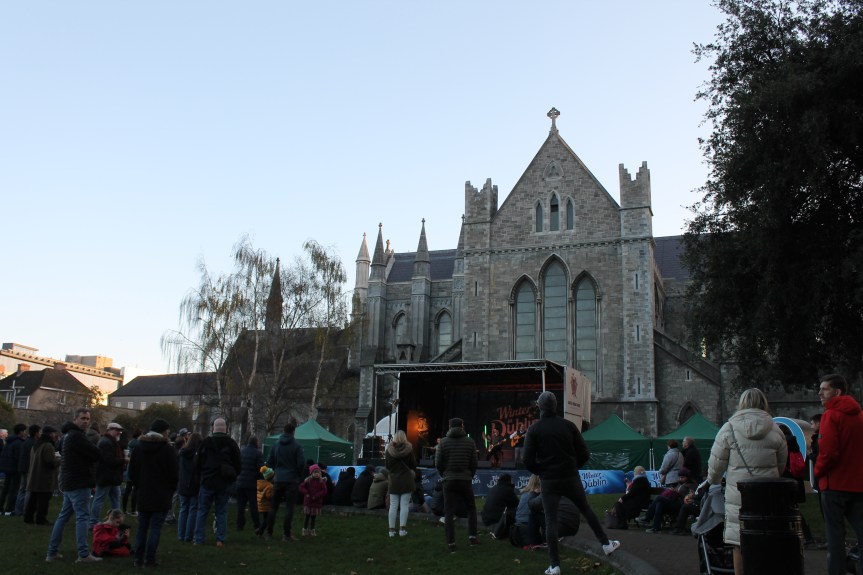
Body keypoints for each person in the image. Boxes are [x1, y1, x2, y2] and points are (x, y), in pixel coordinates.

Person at [523, 391, 619, 575]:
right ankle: (606, 544)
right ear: (555, 406)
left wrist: (541, 471)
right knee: (586, 509)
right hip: (569, 477)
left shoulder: (534, 430)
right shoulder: (568, 426)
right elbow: (584, 453)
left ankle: (555, 565)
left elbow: (527, 459)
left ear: (540, 407)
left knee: (550, 520)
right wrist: (572, 467)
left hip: (550, 480)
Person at [704, 387, 787, 575]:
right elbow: (781, 466)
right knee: (766, 539)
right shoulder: (776, 430)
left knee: (739, 544)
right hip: (767, 494)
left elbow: (716, 465)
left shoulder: (729, 428)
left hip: (739, 495)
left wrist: (714, 480)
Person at [813, 373, 863, 575]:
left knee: (835, 537)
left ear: (837, 391)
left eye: (824, 389)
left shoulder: (831, 415)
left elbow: (828, 452)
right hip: (858, 484)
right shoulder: (859, 415)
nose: (820, 393)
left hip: (834, 485)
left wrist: (817, 472)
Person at [46, 408, 103, 563]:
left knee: (63, 517)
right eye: (83, 418)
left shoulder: (68, 436)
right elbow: (96, 453)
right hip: (79, 481)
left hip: (69, 481)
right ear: (75, 419)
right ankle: (83, 554)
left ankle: (52, 552)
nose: (86, 421)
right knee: (82, 516)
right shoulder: (77, 436)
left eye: (87, 419)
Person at [129, 418, 179, 568]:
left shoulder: (138, 447)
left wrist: (138, 486)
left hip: (143, 492)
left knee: (142, 528)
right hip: (161, 494)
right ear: (163, 432)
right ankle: (149, 559)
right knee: (156, 528)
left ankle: (138, 558)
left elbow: (132, 472)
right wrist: (171, 488)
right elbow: (174, 473)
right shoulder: (167, 450)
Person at [435, 417, 480, 553]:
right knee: (471, 508)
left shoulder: (443, 442)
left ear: (449, 426)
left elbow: (438, 463)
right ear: (462, 426)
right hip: (465, 479)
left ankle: (451, 543)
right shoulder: (470, 442)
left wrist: (445, 475)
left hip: (449, 480)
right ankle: (472, 537)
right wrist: (469, 475)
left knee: (449, 511)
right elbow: (474, 463)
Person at [194, 417, 241, 547]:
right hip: (224, 482)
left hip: (207, 481)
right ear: (225, 428)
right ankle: (220, 539)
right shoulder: (231, 443)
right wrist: (233, 476)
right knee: (221, 511)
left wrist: (200, 476)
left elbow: (197, 463)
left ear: (213, 428)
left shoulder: (206, 443)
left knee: (202, 510)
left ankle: (199, 539)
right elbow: (238, 463)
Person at [260, 419, 305, 542]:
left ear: (283, 431)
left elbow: (269, 462)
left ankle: (268, 533)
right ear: (293, 432)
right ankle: (286, 534)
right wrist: (298, 476)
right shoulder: (297, 446)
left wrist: (273, 476)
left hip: (278, 479)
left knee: (273, 506)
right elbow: (301, 464)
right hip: (292, 480)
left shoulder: (276, 444)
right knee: (289, 508)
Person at [777, 423, 815, 545]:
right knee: (794, 509)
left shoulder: (783, 444)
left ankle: (796, 535)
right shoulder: (793, 443)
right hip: (795, 480)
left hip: (786, 480)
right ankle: (806, 535)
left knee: (786, 509)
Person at [89, 422, 126, 529]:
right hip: (107, 476)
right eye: (117, 430)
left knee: (115, 499)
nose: (119, 432)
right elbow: (109, 460)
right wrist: (123, 460)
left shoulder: (110, 441)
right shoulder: (106, 442)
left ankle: (116, 521)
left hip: (111, 477)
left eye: (120, 431)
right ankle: (93, 522)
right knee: (100, 499)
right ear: (109, 430)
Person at [639, 467, 696, 533]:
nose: (680, 478)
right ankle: (656, 528)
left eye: (682, 477)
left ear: (688, 477)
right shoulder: (680, 484)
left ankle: (647, 517)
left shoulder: (691, 485)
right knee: (659, 504)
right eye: (680, 477)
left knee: (659, 498)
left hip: (680, 505)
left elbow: (689, 497)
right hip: (675, 503)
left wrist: (677, 492)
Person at [24, 425, 60, 525]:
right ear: (50, 434)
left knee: (33, 499)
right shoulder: (48, 445)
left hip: (34, 476)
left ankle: (28, 518)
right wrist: (59, 460)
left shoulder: (36, 444)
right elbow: (50, 462)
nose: (55, 435)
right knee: (43, 500)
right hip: (44, 478)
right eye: (53, 433)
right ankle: (41, 519)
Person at [385, 430, 417, 537]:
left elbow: (387, 466)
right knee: (404, 505)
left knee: (393, 506)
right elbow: (413, 464)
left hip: (394, 480)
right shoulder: (409, 449)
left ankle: (391, 531)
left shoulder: (389, 450)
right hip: (406, 479)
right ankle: (402, 530)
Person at [176, 432, 201, 543]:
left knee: (183, 509)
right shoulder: (197, 454)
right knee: (192, 509)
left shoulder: (183, 453)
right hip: (194, 484)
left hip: (183, 483)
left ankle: (181, 535)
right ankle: (188, 536)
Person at [235, 436, 263, 532]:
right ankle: (257, 525)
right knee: (253, 506)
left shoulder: (241, 451)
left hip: (240, 482)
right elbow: (260, 468)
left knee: (240, 506)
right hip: (251, 484)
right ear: (256, 443)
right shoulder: (258, 453)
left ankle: (239, 525)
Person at [14, 424, 40, 516]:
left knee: (22, 489)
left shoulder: (26, 441)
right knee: (28, 489)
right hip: (29, 468)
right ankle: (26, 510)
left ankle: (18, 510)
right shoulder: (33, 443)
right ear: (36, 433)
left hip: (22, 467)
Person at [0, 423, 26, 514]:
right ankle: (9, 509)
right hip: (15, 468)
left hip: (7, 467)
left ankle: (1, 507)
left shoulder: (9, 441)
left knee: (5, 488)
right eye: (23, 431)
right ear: (20, 431)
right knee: (14, 489)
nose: (24, 433)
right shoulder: (19, 443)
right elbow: (19, 457)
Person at [299, 464, 327, 536]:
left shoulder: (321, 481)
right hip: (308, 502)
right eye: (315, 472)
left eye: (318, 472)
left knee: (313, 518)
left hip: (316, 502)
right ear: (311, 473)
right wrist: (306, 493)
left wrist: (317, 496)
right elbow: (301, 487)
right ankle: (305, 530)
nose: (317, 474)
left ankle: (312, 530)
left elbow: (324, 491)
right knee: (307, 517)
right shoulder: (307, 480)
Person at [122, 428, 142, 517]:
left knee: (127, 490)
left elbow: (127, 454)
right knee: (135, 491)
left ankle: (124, 509)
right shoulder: (139, 444)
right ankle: (133, 510)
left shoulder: (130, 443)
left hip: (129, 468)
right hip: (137, 468)